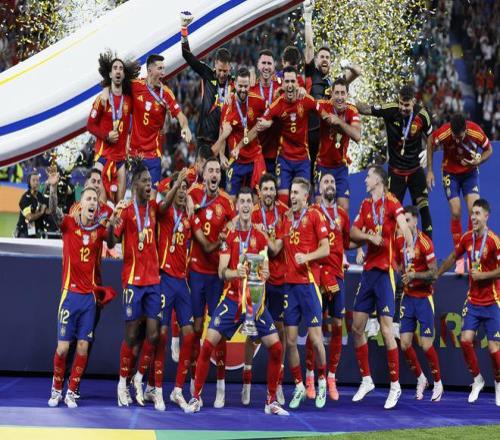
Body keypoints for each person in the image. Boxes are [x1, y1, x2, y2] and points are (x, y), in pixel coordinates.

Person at [184, 187, 288, 416]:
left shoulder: (260, 235)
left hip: (255, 303)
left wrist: (265, 273)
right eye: (242, 202)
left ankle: (271, 401)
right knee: (207, 344)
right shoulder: (228, 236)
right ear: (237, 206)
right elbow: (222, 272)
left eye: (249, 202)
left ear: (253, 205)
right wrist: (236, 273)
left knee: (277, 348)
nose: (245, 206)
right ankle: (196, 397)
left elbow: (265, 267)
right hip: (232, 300)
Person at [46, 166, 117, 408]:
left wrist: (112, 225)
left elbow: (113, 242)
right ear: (81, 203)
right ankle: (56, 388)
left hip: (89, 299)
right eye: (88, 198)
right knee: (63, 348)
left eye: (95, 200)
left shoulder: (99, 230)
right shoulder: (68, 225)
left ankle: (71, 390)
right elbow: (54, 213)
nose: (92, 202)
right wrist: (53, 187)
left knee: (84, 346)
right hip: (70, 295)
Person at [350, 165, 415, 409]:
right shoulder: (365, 204)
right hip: (368, 273)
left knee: (387, 330)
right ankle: (367, 380)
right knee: (357, 327)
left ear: (378, 179)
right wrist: (368, 238)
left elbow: (404, 226)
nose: (365, 179)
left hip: (386, 273)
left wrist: (410, 246)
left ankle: (395, 386)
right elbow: (353, 231)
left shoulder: (392, 202)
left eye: (368, 176)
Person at [108, 161, 164, 407]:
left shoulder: (154, 208)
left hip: (153, 281)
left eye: (150, 181)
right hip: (132, 281)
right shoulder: (126, 210)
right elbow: (112, 240)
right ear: (135, 185)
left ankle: (139, 378)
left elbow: (170, 202)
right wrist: (111, 222)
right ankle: (122, 383)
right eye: (145, 181)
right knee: (131, 336)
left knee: (153, 334)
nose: (149, 184)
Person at [436, 199, 499, 406]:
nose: (473, 217)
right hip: (473, 301)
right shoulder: (466, 238)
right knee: (465, 340)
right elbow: (452, 257)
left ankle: (498, 383)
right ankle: (477, 379)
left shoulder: (493, 241)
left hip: (492, 301)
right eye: (472, 213)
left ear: (486, 216)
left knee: (494, 349)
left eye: (478, 213)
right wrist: (437, 274)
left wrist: (483, 276)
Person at [143, 169, 197, 411]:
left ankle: (177, 390)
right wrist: (176, 184)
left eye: (185, 188)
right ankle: (156, 388)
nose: (183, 192)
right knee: (162, 335)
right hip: (164, 279)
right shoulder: (163, 212)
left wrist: (189, 195)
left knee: (190, 334)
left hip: (182, 282)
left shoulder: (188, 216)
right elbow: (161, 193)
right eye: (180, 188)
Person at [187, 157, 234, 408]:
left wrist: (229, 236)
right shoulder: (193, 194)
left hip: (216, 275)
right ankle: (195, 381)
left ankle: (221, 385)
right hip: (196, 272)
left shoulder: (227, 202)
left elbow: (235, 229)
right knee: (196, 328)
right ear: (204, 175)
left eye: (218, 171)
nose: (215, 174)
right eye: (211, 170)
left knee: (218, 330)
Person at [357, 85, 433, 239]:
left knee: (424, 208)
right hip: (396, 172)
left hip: (415, 170)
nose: (403, 108)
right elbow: (365, 109)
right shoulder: (390, 109)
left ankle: (428, 250)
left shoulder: (422, 115)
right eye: (401, 103)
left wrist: (430, 170)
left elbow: (431, 135)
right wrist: (348, 102)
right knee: (391, 213)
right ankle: (390, 250)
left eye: (407, 105)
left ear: (413, 102)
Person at [280, 177, 330, 409]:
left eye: (296, 193)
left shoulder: (315, 215)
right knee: (290, 341)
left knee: (316, 339)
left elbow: (326, 249)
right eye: (291, 192)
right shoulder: (286, 219)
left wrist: (307, 257)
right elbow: (278, 246)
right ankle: (299, 385)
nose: (292, 196)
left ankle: (322, 382)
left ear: (305, 196)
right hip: (289, 286)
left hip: (309, 285)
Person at [241, 173, 288, 406]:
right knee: (252, 333)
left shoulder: (284, 213)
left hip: (278, 279)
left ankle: (278, 384)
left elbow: (276, 249)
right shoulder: (252, 212)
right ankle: (246, 383)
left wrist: (260, 233)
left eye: (272, 189)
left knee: (279, 330)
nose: (269, 193)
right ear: (259, 192)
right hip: (256, 281)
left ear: (275, 191)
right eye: (265, 189)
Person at [427, 113, 493, 274]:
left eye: (460, 137)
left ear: (466, 129)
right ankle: (459, 258)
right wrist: (430, 170)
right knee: (456, 212)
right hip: (450, 173)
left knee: (474, 211)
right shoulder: (445, 132)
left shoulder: (475, 131)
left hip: (470, 173)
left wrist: (479, 160)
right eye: (454, 137)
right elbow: (430, 141)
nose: (457, 140)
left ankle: (471, 253)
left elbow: (489, 150)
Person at [305, 173, 351, 401]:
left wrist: (347, 256)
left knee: (337, 326)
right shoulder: (313, 212)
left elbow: (346, 243)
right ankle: (310, 376)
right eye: (326, 182)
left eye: (333, 182)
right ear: (319, 188)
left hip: (337, 276)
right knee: (315, 327)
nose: (330, 185)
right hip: (317, 276)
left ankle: (331, 376)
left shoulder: (342, 214)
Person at [303, 0, 360, 173]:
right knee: (308, 174)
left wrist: (348, 65)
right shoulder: (311, 73)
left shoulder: (335, 85)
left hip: (326, 136)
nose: (325, 60)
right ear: (316, 60)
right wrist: (308, 18)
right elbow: (310, 46)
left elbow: (357, 72)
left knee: (324, 175)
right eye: (321, 57)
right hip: (309, 132)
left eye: (328, 57)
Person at [248, 66, 319, 204]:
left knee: (302, 199)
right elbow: (259, 126)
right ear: (283, 83)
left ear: (297, 83)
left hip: (303, 159)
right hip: (283, 158)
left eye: (293, 81)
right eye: (287, 81)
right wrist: (241, 144)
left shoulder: (306, 99)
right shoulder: (277, 103)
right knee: (283, 200)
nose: (290, 84)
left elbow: (325, 112)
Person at [396, 206, 443, 402]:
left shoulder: (425, 243)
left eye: (407, 220)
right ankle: (421, 379)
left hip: (424, 298)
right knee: (405, 343)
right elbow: (398, 263)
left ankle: (438, 382)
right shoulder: (400, 242)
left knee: (425, 344)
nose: (404, 224)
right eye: (402, 221)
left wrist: (414, 275)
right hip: (407, 298)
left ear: (415, 221)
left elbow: (434, 274)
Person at [129, 54, 192, 195]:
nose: (163, 72)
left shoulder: (166, 94)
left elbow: (180, 115)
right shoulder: (135, 86)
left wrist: (185, 126)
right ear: (149, 70)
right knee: (135, 199)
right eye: (159, 68)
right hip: (134, 154)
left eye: (164, 68)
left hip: (153, 154)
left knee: (151, 199)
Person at [87, 51, 139, 203]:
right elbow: (90, 125)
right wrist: (106, 136)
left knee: (119, 207)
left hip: (120, 160)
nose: (118, 71)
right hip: (103, 158)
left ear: (124, 75)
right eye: (115, 68)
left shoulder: (129, 100)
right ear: (110, 74)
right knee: (101, 205)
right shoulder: (102, 99)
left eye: (121, 68)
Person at [180, 11, 232, 151]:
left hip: (225, 141)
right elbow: (187, 55)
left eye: (225, 71)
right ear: (215, 64)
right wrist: (184, 29)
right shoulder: (207, 73)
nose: (222, 74)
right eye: (220, 70)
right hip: (205, 139)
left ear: (230, 68)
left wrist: (252, 74)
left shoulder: (234, 83)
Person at [212, 67, 266, 198]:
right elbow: (223, 130)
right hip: (236, 160)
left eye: (245, 86)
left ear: (249, 85)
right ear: (235, 84)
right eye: (240, 86)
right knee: (231, 200)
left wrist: (268, 122)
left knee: (258, 199)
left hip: (255, 158)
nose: (243, 89)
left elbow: (270, 115)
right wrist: (221, 155)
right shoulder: (228, 104)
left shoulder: (259, 101)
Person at [314, 78, 361, 210]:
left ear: (347, 95)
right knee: (319, 207)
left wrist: (339, 122)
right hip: (322, 165)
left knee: (343, 207)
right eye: (337, 93)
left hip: (340, 167)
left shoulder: (352, 110)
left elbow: (357, 136)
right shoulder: (324, 105)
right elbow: (309, 103)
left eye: (342, 93)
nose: (340, 97)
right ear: (332, 94)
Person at [249, 49, 281, 174]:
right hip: (255, 153)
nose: (266, 67)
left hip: (277, 153)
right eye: (263, 63)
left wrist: (271, 122)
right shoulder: (250, 87)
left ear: (274, 66)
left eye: (269, 63)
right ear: (258, 65)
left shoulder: (281, 87)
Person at [15, 171, 48, 238]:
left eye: (37, 180)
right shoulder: (25, 198)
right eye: (33, 180)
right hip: (24, 234)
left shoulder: (40, 196)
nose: (36, 182)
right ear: (29, 182)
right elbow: (29, 218)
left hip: (38, 233)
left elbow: (47, 210)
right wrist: (41, 212)